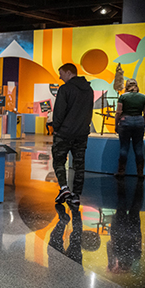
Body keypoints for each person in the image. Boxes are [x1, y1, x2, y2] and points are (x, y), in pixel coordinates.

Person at [51, 63, 94, 208]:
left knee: (58, 160)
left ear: (69, 72)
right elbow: (89, 111)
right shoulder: (89, 89)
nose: (60, 77)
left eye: (61, 73)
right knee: (79, 164)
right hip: (82, 133)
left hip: (64, 133)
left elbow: (59, 112)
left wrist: (56, 128)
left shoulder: (65, 89)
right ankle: (76, 195)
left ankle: (64, 188)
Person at [114, 78, 145, 179]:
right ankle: (140, 172)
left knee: (124, 147)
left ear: (127, 86)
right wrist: (143, 124)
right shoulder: (144, 97)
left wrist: (116, 124)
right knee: (138, 147)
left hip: (125, 121)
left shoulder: (123, 97)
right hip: (139, 121)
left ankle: (121, 172)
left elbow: (118, 112)